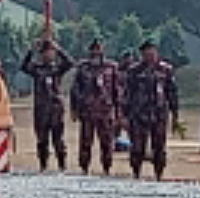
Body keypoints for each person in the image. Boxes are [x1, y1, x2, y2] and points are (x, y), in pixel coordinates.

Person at [123, 41, 179, 180]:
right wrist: (124, 116)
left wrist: (175, 113)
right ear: (142, 55)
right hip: (139, 115)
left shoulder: (165, 70)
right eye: (147, 54)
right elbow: (127, 94)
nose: (150, 56)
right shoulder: (134, 71)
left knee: (159, 147)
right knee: (137, 147)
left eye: (152, 53)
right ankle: (136, 173)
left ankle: (158, 174)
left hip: (159, 114)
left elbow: (172, 92)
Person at [69, 39, 124, 176]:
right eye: (93, 50)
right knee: (86, 142)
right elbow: (75, 90)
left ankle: (106, 168)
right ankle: (84, 167)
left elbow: (117, 90)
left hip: (105, 112)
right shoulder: (83, 68)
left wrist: (119, 113)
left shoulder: (111, 67)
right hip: (87, 112)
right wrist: (74, 109)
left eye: (98, 49)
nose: (96, 52)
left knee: (106, 142)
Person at [19, 39, 73, 171]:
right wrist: (31, 50)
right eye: (45, 53)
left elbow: (70, 63)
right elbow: (24, 66)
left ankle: (62, 165)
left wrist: (59, 49)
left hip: (55, 109)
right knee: (42, 140)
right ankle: (43, 165)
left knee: (58, 140)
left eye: (50, 52)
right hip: (41, 110)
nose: (48, 55)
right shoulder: (37, 69)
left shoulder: (57, 69)